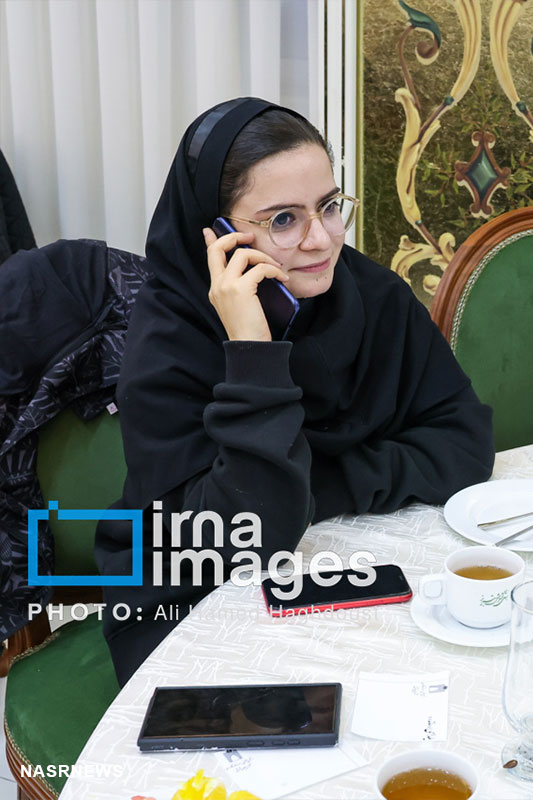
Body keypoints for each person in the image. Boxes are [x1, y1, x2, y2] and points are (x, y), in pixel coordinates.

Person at [95, 98, 494, 684]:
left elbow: (465, 444)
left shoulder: (372, 295)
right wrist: (253, 355)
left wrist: (309, 487)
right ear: (216, 235)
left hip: (343, 569)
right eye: (283, 219)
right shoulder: (169, 343)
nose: (322, 240)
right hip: (188, 602)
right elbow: (247, 537)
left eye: (329, 207)